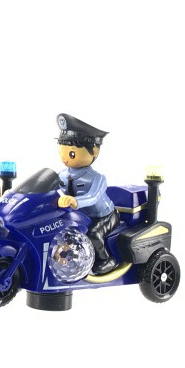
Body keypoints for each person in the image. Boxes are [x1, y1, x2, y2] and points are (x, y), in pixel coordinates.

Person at [55, 113, 120, 275]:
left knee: (93, 234)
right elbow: (52, 189)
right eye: (62, 152)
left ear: (95, 151)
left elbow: (93, 197)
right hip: (80, 215)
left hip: (104, 216)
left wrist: (75, 201)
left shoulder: (97, 178)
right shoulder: (62, 174)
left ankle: (106, 260)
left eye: (71, 154)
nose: (66, 159)